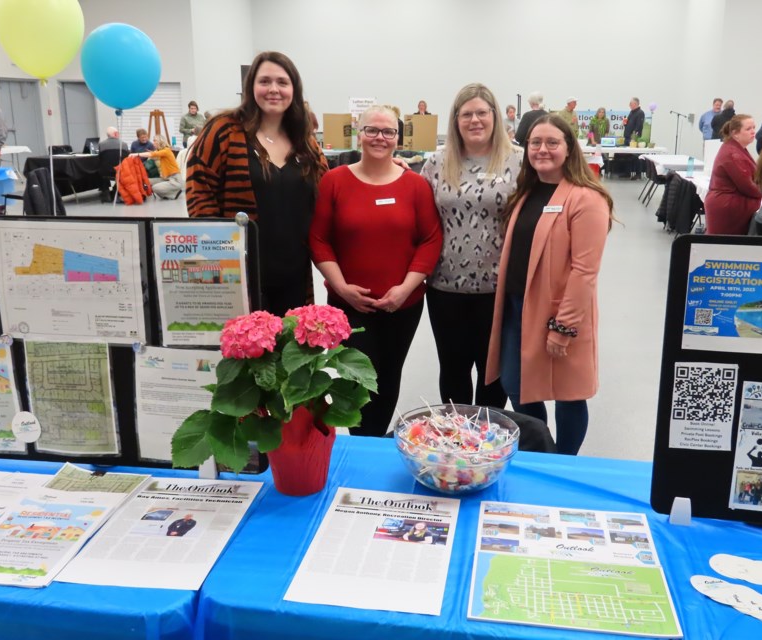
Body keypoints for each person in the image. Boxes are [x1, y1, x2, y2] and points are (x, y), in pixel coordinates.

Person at [485, 114, 615, 456]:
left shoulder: (586, 199)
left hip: (560, 313)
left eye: (552, 143)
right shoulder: (527, 191)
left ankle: (565, 462)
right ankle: (543, 452)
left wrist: (564, 326)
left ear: (569, 149)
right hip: (519, 307)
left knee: (569, 393)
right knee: (518, 384)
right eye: (535, 143)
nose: (542, 149)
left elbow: (585, 270)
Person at [310, 105, 442, 437]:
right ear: (359, 133)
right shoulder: (334, 181)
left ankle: (375, 442)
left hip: (403, 305)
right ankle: (364, 441)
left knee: (388, 374)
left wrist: (406, 289)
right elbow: (318, 238)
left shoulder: (416, 186)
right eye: (372, 130)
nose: (379, 138)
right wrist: (341, 288)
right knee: (357, 377)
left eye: (388, 132)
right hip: (349, 304)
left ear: (398, 137)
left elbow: (430, 239)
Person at [188, 51, 328, 315]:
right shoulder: (223, 130)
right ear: (251, 86)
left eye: (282, 82)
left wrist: (384, 168)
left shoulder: (305, 141)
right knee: (249, 350)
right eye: (264, 81)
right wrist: (216, 255)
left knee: (292, 351)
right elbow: (200, 194)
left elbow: (330, 187)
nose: (273, 89)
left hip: (294, 273)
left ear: (293, 90)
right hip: (240, 275)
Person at [419, 83, 522, 409]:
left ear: (494, 116)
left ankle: (488, 443)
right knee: (453, 370)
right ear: (455, 120)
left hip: (499, 288)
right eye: (467, 114)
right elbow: (420, 221)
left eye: (481, 112)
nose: (475, 120)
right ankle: (457, 440)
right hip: (445, 287)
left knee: (493, 375)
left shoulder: (519, 161)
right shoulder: (435, 163)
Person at [703, 115, 762, 235]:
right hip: (727, 209)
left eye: (754, 128)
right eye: (748, 129)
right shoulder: (733, 154)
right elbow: (747, 186)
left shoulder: (736, 149)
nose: (753, 132)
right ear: (735, 133)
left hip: (729, 205)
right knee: (724, 248)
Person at [135, 134, 182, 199]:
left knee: (154, 188)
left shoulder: (166, 151)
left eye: (155, 141)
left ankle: (173, 194)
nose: (153, 142)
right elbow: (153, 155)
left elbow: (151, 154)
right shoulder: (159, 152)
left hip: (175, 179)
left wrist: (135, 154)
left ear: (160, 142)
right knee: (146, 181)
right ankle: (170, 193)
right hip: (165, 178)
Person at [622, 97, 645, 179]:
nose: (629, 105)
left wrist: (634, 138)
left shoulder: (640, 113)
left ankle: (638, 174)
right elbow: (629, 124)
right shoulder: (632, 112)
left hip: (633, 138)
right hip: (627, 137)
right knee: (627, 156)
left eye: (630, 104)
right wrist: (625, 123)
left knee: (636, 156)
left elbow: (639, 126)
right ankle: (627, 173)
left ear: (635, 104)